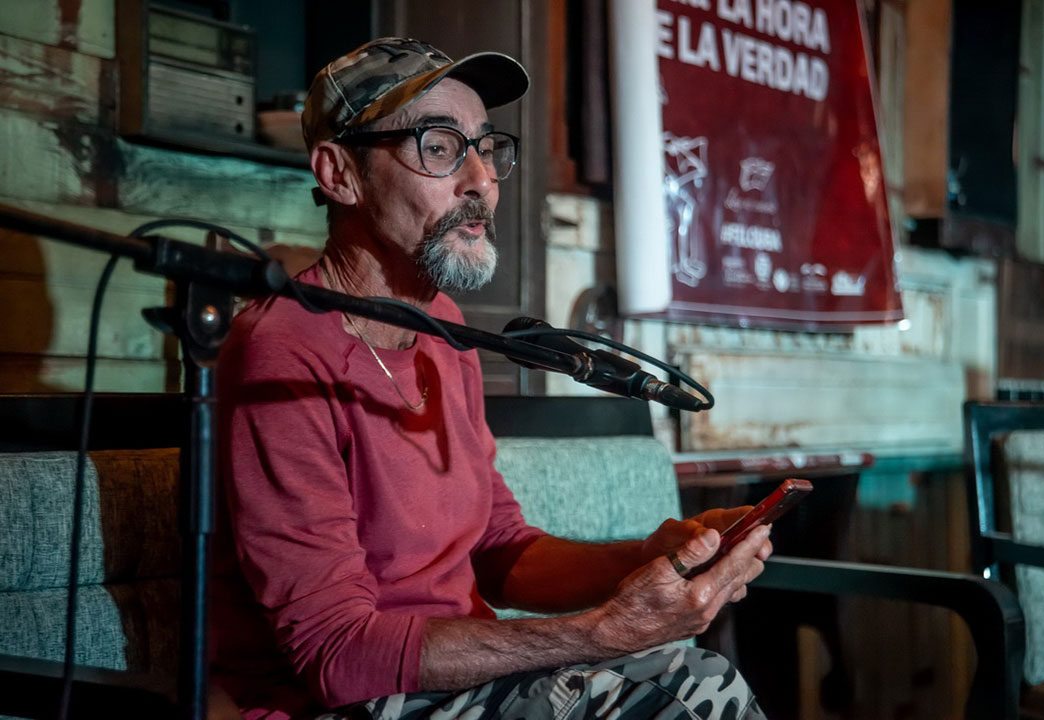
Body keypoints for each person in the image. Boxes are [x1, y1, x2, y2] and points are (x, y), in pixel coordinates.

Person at [211, 37, 773, 720]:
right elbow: (336, 654)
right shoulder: (282, 349)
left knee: (687, 681)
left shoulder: (444, 328)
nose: (481, 179)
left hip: (462, 685)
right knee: (687, 688)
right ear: (340, 175)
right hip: (355, 702)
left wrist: (646, 557)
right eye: (440, 147)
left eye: (485, 147)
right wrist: (598, 634)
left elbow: (497, 551)